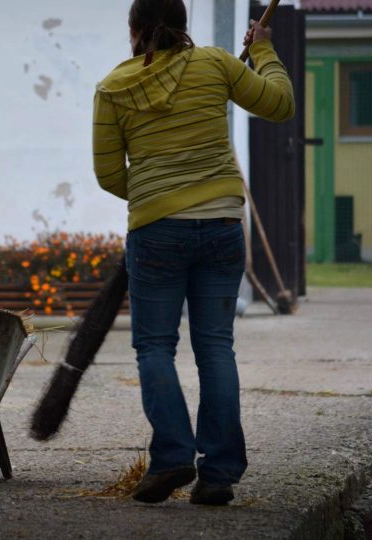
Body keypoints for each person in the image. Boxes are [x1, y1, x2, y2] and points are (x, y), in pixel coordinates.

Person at [92, 0, 294, 505]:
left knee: (155, 347)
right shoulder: (217, 64)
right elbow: (279, 103)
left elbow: (109, 174)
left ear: (135, 30)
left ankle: (172, 458)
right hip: (223, 223)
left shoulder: (113, 88)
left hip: (156, 232)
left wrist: (157, 191)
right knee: (215, 348)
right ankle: (219, 473)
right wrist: (264, 52)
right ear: (183, 27)